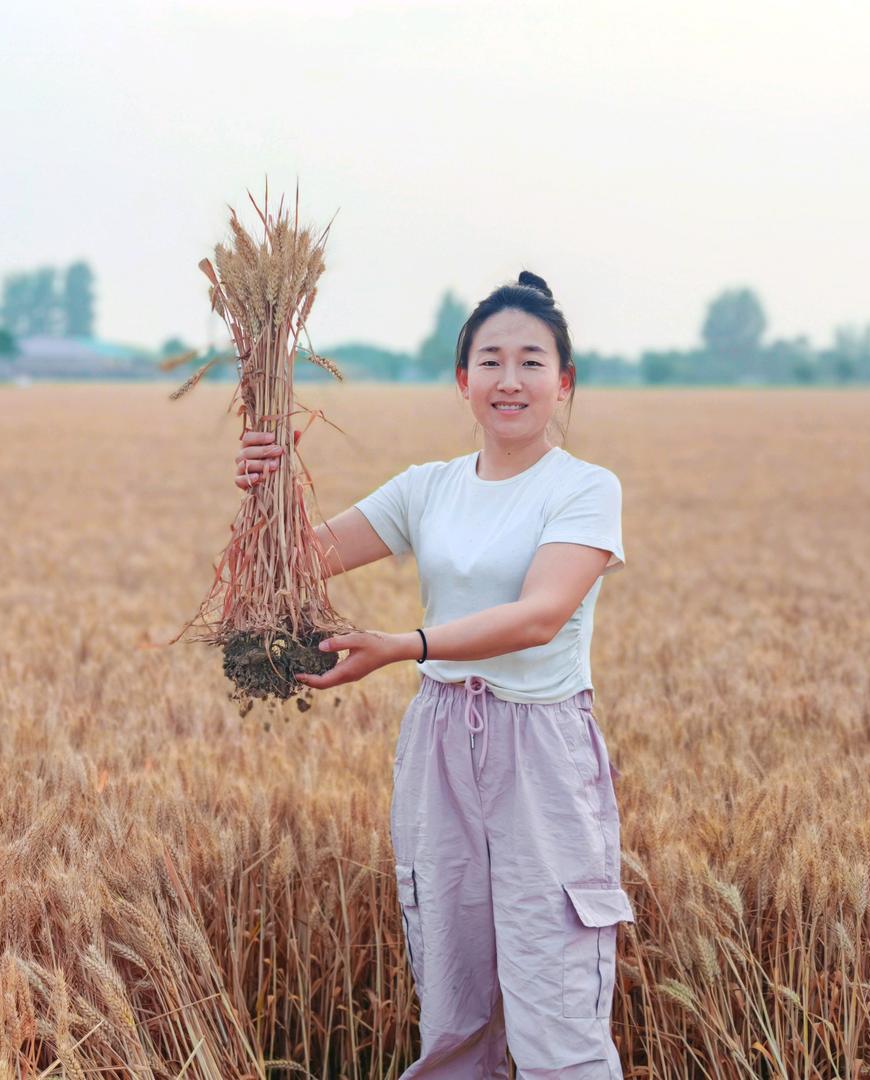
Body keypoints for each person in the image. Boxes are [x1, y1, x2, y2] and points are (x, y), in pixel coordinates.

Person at [235, 271, 634, 1079]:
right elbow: (295, 565)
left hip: (540, 750)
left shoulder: (586, 489)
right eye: (490, 361)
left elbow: (539, 617)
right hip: (440, 740)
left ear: (564, 382)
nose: (509, 380)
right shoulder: (428, 488)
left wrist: (406, 644)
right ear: (463, 382)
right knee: (452, 1013)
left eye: (531, 362)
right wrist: (263, 486)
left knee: (557, 1011)